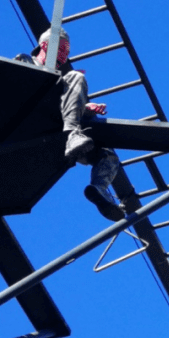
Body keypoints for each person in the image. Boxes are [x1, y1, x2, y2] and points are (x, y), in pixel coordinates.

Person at [20, 28, 124, 221]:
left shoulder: (62, 82)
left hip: (53, 129)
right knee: (76, 77)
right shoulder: (25, 62)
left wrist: (84, 107)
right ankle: (72, 135)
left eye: (67, 52)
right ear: (44, 45)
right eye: (61, 49)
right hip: (29, 115)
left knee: (109, 155)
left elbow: (60, 106)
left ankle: (99, 189)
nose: (64, 55)